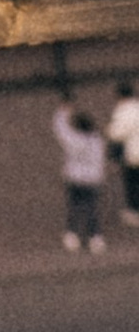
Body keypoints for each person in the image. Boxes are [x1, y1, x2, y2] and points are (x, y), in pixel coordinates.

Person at [58, 101, 109, 254]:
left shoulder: (72, 140)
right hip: (93, 179)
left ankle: (72, 236)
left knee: (74, 206)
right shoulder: (98, 142)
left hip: (74, 178)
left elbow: (60, 129)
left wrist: (63, 111)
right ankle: (96, 239)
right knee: (92, 208)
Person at [107, 76, 139, 225]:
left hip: (133, 154)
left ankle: (134, 211)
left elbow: (116, 135)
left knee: (132, 183)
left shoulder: (122, 111)